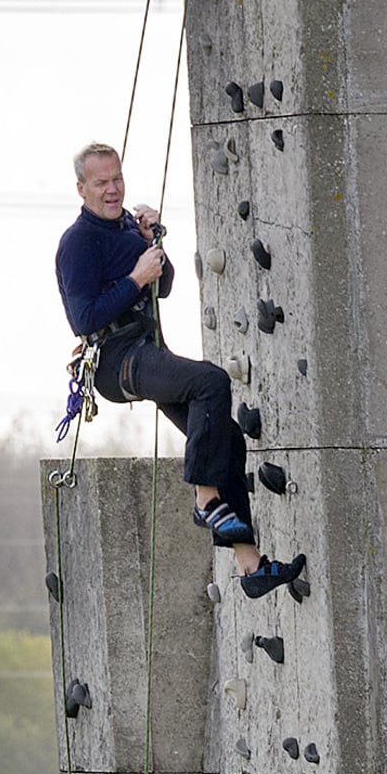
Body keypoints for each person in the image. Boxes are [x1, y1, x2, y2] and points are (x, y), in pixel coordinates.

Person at [55, 142, 304, 600]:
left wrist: (152, 243)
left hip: (146, 350)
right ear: (81, 189)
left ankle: (251, 566)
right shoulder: (78, 243)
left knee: (224, 436)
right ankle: (204, 497)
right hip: (116, 361)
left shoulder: (128, 225)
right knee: (211, 381)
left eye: (117, 179)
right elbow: (83, 319)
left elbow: (163, 285)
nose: (113, 190)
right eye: (101, 183)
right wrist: (135, 278)